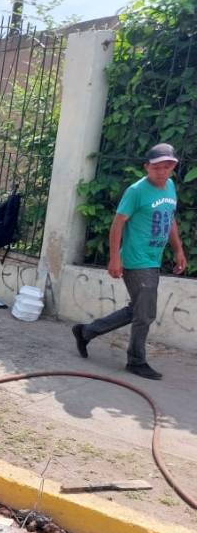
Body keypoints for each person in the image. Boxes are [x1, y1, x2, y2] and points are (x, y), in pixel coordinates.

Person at [72, 143, 188, 380]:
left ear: (173, 167)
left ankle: (86, 332)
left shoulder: (170, 187)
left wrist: (178, 250)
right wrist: (115, 258)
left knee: (137, 310)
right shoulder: (136, 191)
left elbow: (170, 219)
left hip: (154, 258)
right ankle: (136, 361)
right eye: (157, 167)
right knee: (145, 314)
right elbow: (117, 224)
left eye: (167, 166)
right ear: (147, 167)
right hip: (136, 260)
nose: (162, 171)